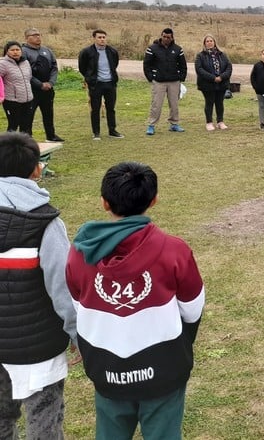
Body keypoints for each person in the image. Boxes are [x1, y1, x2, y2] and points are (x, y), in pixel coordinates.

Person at [66, 161, 205, 440]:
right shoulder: (174, 250)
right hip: (164, 369)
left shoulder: (79, 254)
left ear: (104, 203)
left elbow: (79, 306)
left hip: (107, 369)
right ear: (153, 201)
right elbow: (192, 308)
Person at [0, 132, 77, 440]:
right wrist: (77, 333)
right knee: (45, 416)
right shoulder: (46, 223)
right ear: (36, 169)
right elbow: (64, 286)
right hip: (39, 344)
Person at [79, 29, 124, 140]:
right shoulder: (87, 52)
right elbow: (82, 67)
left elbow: (115, 64)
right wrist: (90, 78)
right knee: (95, 109)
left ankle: (112, 130)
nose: (102, 39)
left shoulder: (112, 51)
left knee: (111, 108)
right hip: (96, 84)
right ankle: (96, 132)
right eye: (99, 37)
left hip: (110, 83)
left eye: (104, 37)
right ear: (94, 38)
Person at [21, 28, 63, 142]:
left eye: (39, 35)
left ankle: (51, 135)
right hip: (32, 90)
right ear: (26, 38)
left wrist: (51, 82)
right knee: (28, 115)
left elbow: (54, 67)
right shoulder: (23, 51)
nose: (38, 37)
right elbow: (25, 72)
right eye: (34, 35)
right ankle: (26, 138)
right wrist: (40, 84)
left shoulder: (47, 50)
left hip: (48, 89)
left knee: (48, 113)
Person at [143, 28, 187, 135]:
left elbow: (183, 65)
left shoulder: (178, 49)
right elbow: (146, 64)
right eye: (164, 36)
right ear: (161, 36)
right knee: (156, 104)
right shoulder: (152, 48)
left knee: (174, 104)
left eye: (168, 37)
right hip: (158, 81)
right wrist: (151, 77)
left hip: (174, 81)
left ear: (172, 38)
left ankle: (174, 124)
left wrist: (181, 77)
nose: (166, 39)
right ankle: (151, 125)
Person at [194, 34, 233, 131]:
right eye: (207, 41)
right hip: (207, 83)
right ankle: (209, 122)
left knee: (220, 102)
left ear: (214, 42)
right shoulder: (200, 56)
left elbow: (229, 67)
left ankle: (220, 122)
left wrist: (221, 77)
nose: (209, 43)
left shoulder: (222, 54)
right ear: (204, 43)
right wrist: (213, 78)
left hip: (221, 83)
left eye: (211, 41)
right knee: (209, 102)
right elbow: (199, 69)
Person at [0, 41, 34, 133]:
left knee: (26, 125)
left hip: (28, 99)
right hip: (12, 101)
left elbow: (29, 77)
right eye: (12, 50)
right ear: (7, 51)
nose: (15, 52)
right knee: (13, 125)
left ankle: (25, 146)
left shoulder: (26, 62)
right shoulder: (3, 64)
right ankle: (8, 146)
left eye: (17, 50)